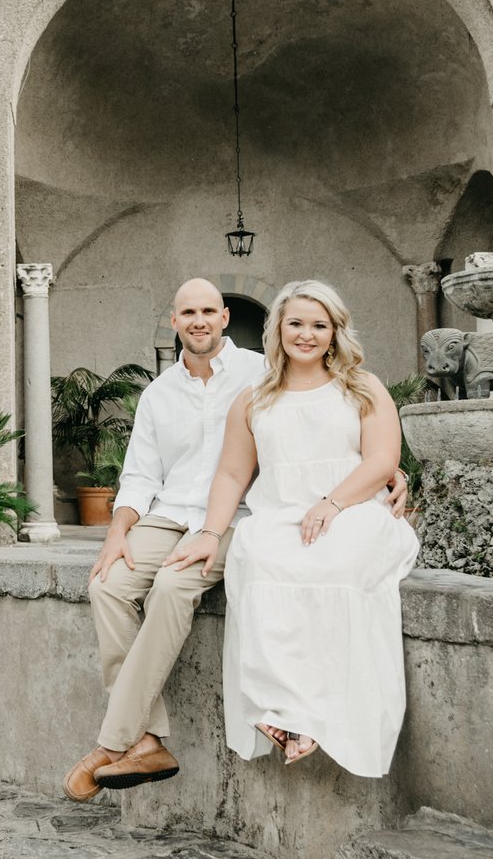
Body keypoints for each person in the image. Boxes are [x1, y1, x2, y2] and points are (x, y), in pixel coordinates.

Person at [65, 279, 409, 801]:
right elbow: (141, 474)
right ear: (175, 321)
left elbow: (368, 444)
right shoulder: (168, 393)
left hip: (248, 516)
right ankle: (145, 736)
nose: (199, 321)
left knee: (174, 587)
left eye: (208, 310)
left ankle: (115, 740)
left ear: (226, 318)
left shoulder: (263, 369)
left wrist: (377, 479)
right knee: (108, 585)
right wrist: (118, 530)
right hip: (181, 514)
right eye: (187, 312)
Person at [164, 279, 420, 776]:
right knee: (258, 560)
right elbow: (233, 474)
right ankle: (280, 712)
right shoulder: (253, 398)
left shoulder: (362, 387)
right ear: (277, 328)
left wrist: (332, 502)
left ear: (335, 332)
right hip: (280, 515)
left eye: (319, 325)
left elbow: (383, 458)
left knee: (335, 563)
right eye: (296, 323)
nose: (306, 334)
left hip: (354, 512)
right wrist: (210, 535)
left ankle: (321, 716)